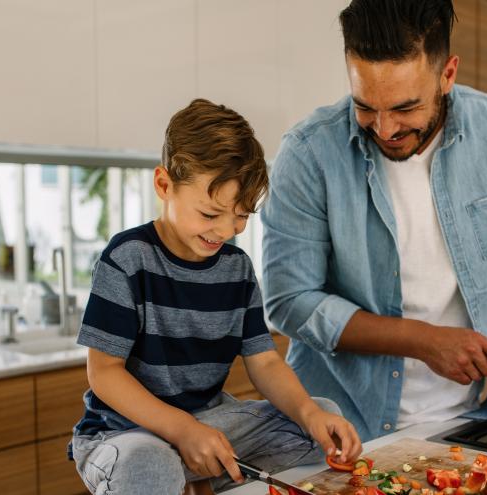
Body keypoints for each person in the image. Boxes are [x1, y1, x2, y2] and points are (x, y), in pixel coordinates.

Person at [261, 0, 487, 441]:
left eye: (405, 108)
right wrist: (424, 340)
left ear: (448, 74)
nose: (384, 129)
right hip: (343, 427)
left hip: (471, 416)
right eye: (365, 106)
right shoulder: (308, 153)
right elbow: (289, 301)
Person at [69, 98, 361, 495]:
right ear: (164, 185)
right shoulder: (127, 258)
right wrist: (183, 430)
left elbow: (264, 362)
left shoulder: (237, 269)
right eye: (210, 214)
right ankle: (186, 472)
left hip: (207, 422)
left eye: (241, 215)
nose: (225, 230)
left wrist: (308, 412)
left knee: (322, 419)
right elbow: (103, 373)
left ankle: (195, 470)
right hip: (124, 434)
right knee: (151, 465)